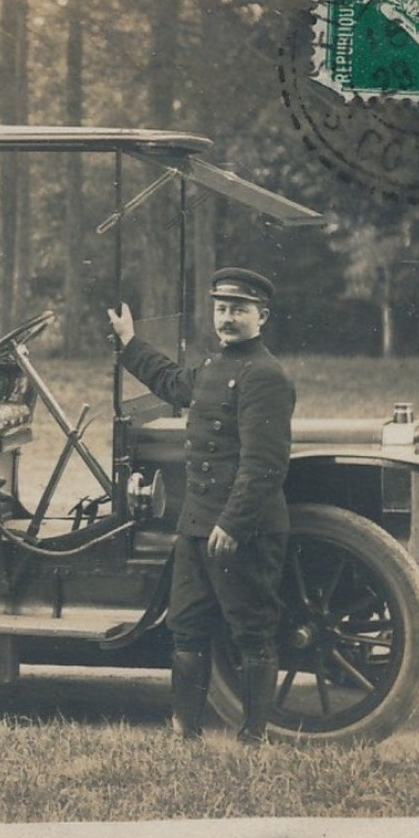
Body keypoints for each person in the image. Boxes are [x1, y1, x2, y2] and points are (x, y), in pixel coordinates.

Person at [107, 268, 296, 743]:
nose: (227, 319)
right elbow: (172, 383)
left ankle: (253, 738)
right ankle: (186, 735)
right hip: (197, 526)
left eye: (238, 310)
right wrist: (130, 342)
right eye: (221, 309)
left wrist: (232, 523)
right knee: (187, 628)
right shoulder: (215, 367)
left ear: (262, 316)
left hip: (242, 528)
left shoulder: (266, 376)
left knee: (251, 631)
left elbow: (265, 463)